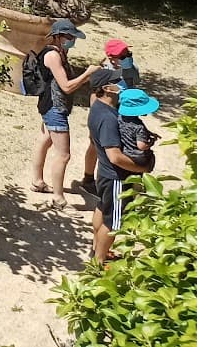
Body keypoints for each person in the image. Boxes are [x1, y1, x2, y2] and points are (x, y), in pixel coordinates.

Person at [30, 19, 96, 209]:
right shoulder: (53, 56)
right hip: (54, 109)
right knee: (64, 155)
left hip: (51, 106)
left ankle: (37, 181)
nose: (72, 40)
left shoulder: (60, 52)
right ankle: (59, 199)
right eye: (69, 36)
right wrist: (87, 74)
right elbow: (66, 86)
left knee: (45, 140)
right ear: (57, 37)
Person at [87, 69, 151, 263]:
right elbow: (114, 156)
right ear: (107, 88)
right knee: (113, 221)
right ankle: (99, 262)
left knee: (102, 207)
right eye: (118, 81)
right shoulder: (108, 119)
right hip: (115, 176)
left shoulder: (97, 107)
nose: (122, 83)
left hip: (104, 174)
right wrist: (142, 168)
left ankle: (96, 248)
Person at [82, 38, 144, 194]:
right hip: (108, 112)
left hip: (124, 112)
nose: (126, 58)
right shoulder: (103, 72)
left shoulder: (131, 67)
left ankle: (129, 179)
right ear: (110, 57)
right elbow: (95, 96)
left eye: (127, 54)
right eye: (121, 56)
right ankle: (89, 178)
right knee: (96, 146)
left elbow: (132, 85)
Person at [116, 88, 160, 172]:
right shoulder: (139, 127)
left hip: (124, 152)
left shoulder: (120, 118)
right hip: (136, 157)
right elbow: (141, 146)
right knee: (151, 157)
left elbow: (132, 132)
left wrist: (149, 133)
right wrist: (151, 143)